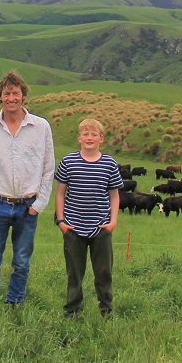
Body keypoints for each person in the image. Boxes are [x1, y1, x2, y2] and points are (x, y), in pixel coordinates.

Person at [0, 70, 55, 307]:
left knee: (21, 260)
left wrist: (39, 204)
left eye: (16, 93)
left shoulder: (41, 127)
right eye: (7, 94)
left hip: (28, 205)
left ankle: (15, 302)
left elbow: (48, 169)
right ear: (0, 96)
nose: (11, 98)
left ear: (23, 96)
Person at [54, 117, 122, 318]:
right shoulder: (68, 161)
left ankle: (106, 311)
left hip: (101, 228)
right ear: (79, 138)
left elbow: (114, 195)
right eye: (85, 134)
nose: (89, 137)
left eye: (94, 134)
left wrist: (113, 222)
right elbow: (60, 193)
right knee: (74, 273)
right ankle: (72, 311)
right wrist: (61, 221)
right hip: (73, 228)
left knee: (103, 272)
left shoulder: (109, 163)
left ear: (101, 139)